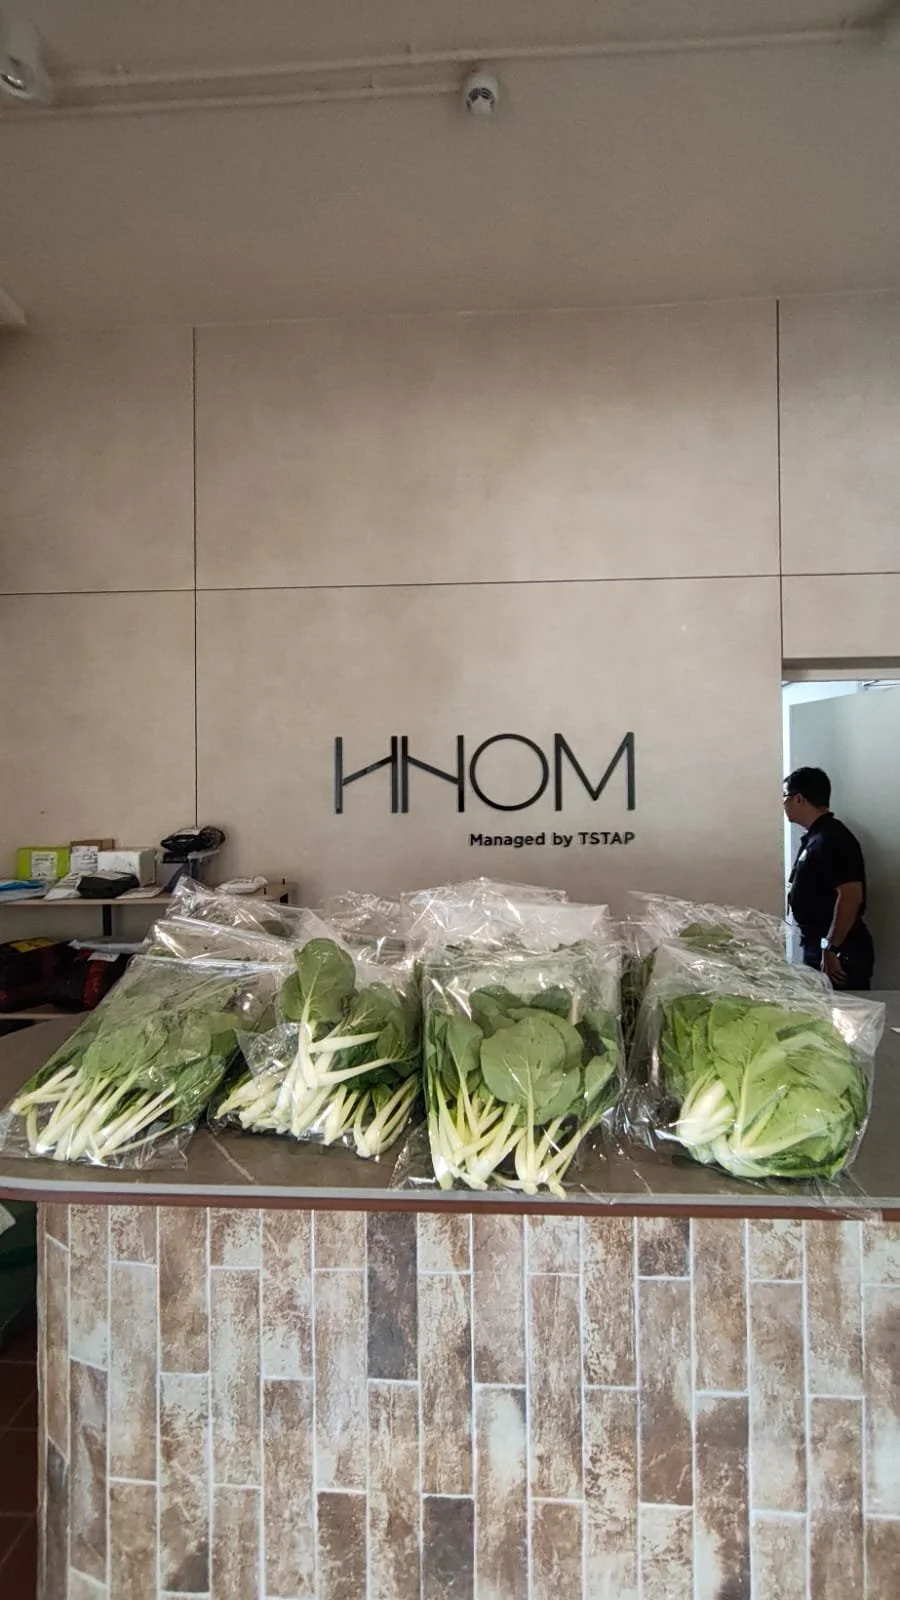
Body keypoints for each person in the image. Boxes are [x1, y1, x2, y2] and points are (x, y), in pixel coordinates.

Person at [784, 766, 874, 990]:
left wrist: (831, 947)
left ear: (799, 798)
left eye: (785, 797)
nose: (783, 804)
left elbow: (851, 897)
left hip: (839, 951)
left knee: (845, 1018)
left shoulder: (832, 838)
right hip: (820, 945)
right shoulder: (816, 837)